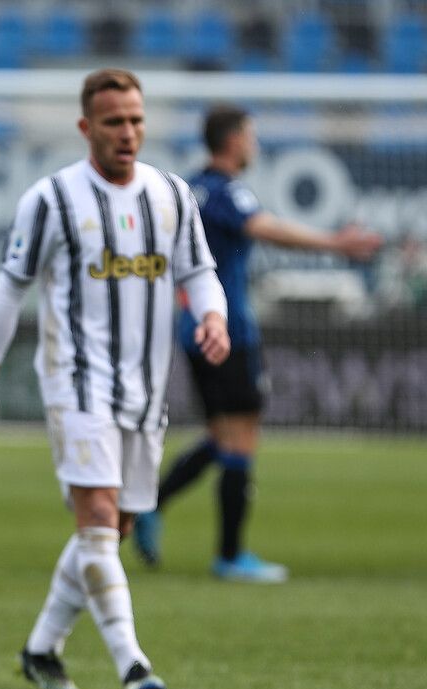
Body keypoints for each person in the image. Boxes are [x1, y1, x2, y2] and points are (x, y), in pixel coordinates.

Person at [0, 69, 230, 689]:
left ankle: (41, 647)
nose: (127, 132)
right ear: (86, 128)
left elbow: (200, 273)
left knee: (114, 528)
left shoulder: (172, 195)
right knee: (99, 517)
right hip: (75, 382)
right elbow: (8, 291)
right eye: (113, 122)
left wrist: (213, 315)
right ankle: (133, 663)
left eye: (135, 120)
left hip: (145, 387)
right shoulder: (50, 199)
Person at [132, 105, 383, 582]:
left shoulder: (189, 189)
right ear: (231, 141)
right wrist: (336, 244)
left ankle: (152, 504)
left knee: (225, 436)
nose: (255, 145)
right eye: (250, 136)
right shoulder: (225, 192)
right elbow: (268, 229)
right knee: (241, 438)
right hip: (228, 330)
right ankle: (229, 555)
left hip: (194, 327)